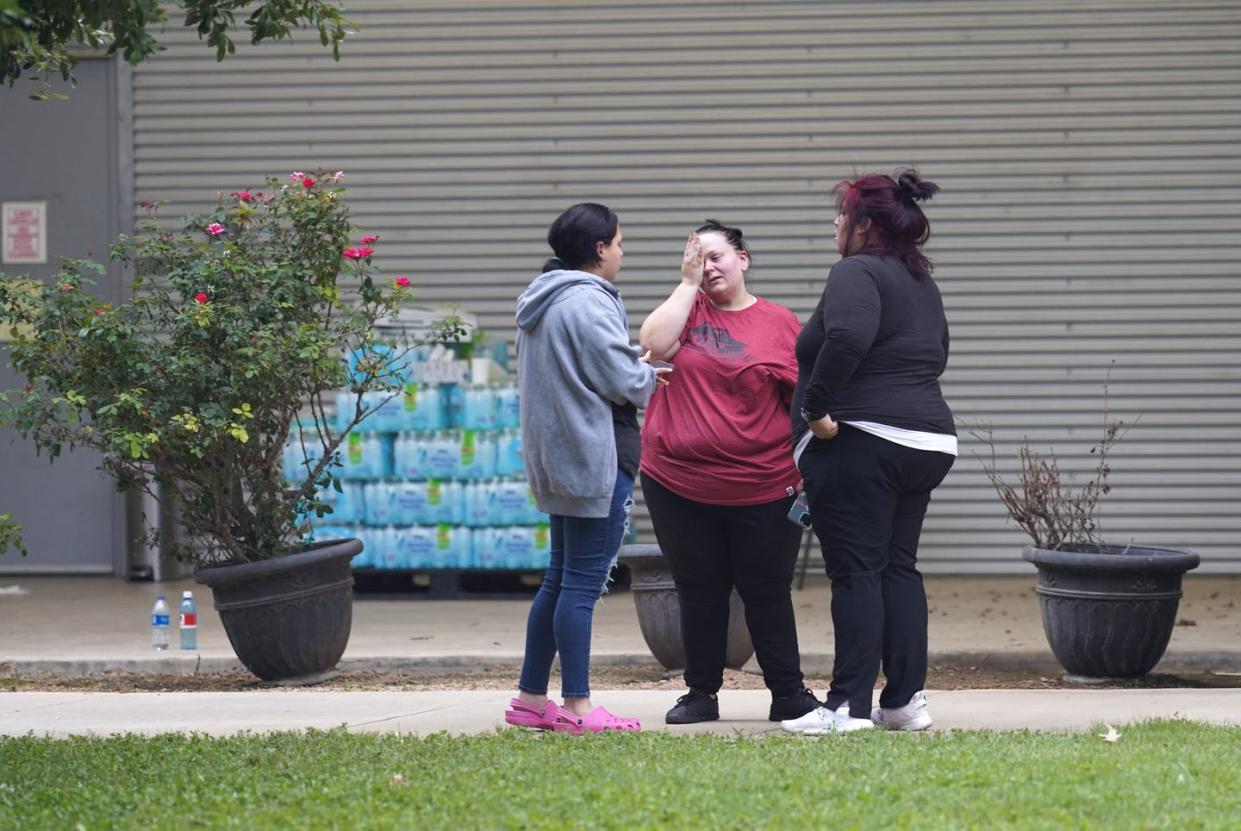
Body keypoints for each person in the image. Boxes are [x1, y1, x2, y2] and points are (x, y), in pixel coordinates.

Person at [781, 170, 957, 736]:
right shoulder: (920, 282)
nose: (836, 223)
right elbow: (938, 355)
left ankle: (847, 708)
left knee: (857, 572)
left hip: (862, 442)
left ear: (866, 226)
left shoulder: (855, 272)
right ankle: (904, 702)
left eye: (843, 214)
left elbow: (848, 337)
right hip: (926, 441)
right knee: (896, 570)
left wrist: (815, 409)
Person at [637, 219, 821, 725]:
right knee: (698, 589)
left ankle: (788, 693)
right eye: (697, 256)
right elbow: (651, 345)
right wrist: (688, 283)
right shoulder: (685, 311)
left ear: (743, 259)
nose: (708, 265)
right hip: (676, 482)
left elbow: (806, 402)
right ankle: (700, 693)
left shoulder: (780, 324)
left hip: (762, 485)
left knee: (766, 590)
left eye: (716, 256)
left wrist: (808, 469)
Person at [504, 202, 671, 735]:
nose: (623, 253)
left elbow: (585, 369)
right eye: (620, 243)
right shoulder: (588, 301)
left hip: (557, 460)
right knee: (581, 585)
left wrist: (625, 367)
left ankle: (531, 698)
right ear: (599, 249)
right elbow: (620, 380)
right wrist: (646, 374)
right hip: (592, 459)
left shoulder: (541, 299)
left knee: (558, 579)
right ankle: (577, 707)